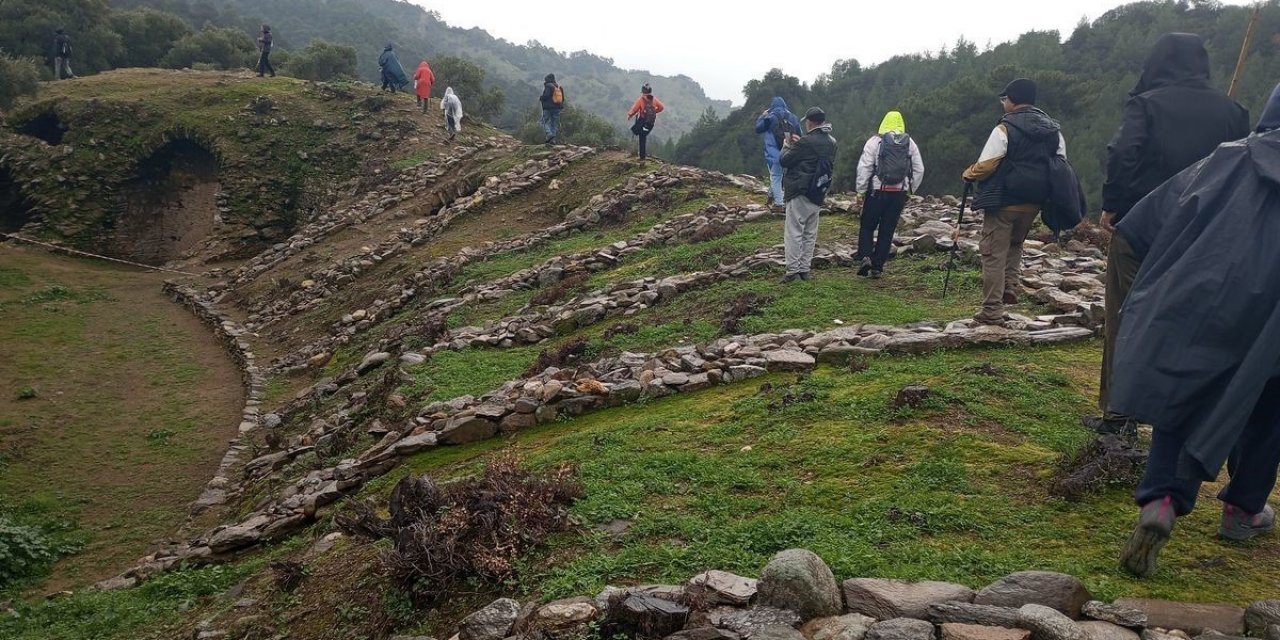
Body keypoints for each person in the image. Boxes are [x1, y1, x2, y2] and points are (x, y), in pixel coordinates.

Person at [1114, 83, 1280, 579]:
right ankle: (1243, 509)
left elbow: (1143, 224)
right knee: (1269, 410)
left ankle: (1162, 500)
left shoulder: (1230, 157)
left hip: (1210, 296)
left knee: (1182, 394)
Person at [1085, 33, 1250, 437]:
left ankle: (1118, 414)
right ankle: (1175, 413)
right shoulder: (1233, 111)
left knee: (1125, 313)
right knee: (1184, 318)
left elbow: (1123, 153)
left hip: (1142, 226)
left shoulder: (1146, 104)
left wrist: (1113, 204)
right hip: (1200, 233)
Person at [961, 78, 1067, 325]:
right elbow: (1061, 162)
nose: (1003, 103)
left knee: (993, 253)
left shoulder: (1005, 128)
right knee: (1016, 244)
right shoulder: (1053, 131)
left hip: (1004, 200)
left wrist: (969, 173)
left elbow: (988, 164)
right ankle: (1010, 286)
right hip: (1035, 201)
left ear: (1012, 100)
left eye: (1005, 99)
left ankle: (991, 310)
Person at [854, 110, 925, 278]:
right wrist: (910, 190)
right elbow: (919, 169)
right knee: (887, 230)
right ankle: (878, 267)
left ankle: (865, 256)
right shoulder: (910, 143)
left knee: (867, 225)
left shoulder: (874, 141)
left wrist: (860, 191)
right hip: (898, 193)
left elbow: (864, 167)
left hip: (877, 191)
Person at [778, 107, 837, 283]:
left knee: (794, 232)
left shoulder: (805, 142)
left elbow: (785, 160)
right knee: (810, 233)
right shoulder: (832, 142)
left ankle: (792, 272)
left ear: (810, 122)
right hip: (818, 191)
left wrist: (787, 146)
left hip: (800, 190)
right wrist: (799, 144)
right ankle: (805, 270)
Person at [755, 97, 803, 212]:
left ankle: (779, 204)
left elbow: (758, 128)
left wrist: (762, 116)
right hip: (789, 152)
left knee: (776, 176)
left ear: (772, 107)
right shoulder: (793, 117)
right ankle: (770, 197)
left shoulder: (770, 117)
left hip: (774, 153)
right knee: (777, 176)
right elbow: (800, 134)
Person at [627, 83, 665, 161]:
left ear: (643, 91)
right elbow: (661, 107)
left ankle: (641, 157)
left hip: (642, 120)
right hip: (650, 122)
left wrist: (630, 115)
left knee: (638, 134)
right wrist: (655, 111)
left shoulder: (641, 99)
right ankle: (641, 156)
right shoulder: (654, 99)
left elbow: (634, 109)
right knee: (642, 136)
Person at [540, 73, 565, 144]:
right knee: (554, 124)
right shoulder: (559, 87)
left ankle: (549, 134)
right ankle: (552, 140)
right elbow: (563, 99)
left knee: (543, 122)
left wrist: (541, 98)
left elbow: (546, 96)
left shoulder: (548, 86)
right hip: (557, 108)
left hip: (548, 108)